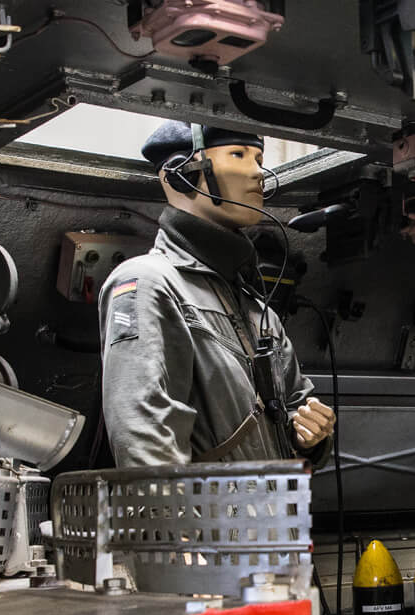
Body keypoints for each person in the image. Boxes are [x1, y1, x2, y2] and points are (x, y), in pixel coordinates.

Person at [98, 120, 335, 467]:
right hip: (205, 504)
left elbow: (296, 404)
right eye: (238, 154)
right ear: (181, 174)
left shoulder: (258, 310)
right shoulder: (150, 283)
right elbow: (145, 443)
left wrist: (310, 436)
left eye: (259, 159)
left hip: (271, 500)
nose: (257, 172)